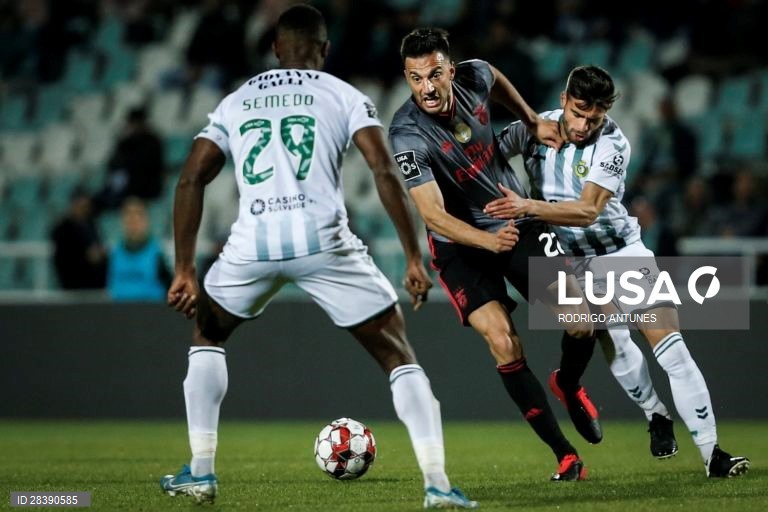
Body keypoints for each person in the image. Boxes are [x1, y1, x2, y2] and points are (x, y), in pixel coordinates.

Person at [160, 6, 477, 509]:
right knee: (397, 354)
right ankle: (437, 484)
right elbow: (383, 169)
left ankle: (200, 472)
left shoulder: (237, 100)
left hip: (253, 244)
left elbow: (190, 178)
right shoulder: (342, 94)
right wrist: (414, 257)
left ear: (275, 50)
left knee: (208, 335)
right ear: (324, 50)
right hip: (324, 242)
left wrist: (184, 269)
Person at [488, 64, 750, 478]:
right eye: (577, 113)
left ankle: (712, 453)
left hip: (619, 251)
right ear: (564, 101)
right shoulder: (532, 128)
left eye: (593, 118)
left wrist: (526, 206)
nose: (583, 126)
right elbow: (484, 159)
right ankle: (655, 414)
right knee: (612, 336)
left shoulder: (613, 143)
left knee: (671, 347)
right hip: (563, 259)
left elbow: (588, 210)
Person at [388, 27, 600, 482]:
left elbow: (493, 74)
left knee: (581, 321)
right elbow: (432, 215)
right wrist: (486, 242)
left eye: (434, 75)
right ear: (407, 78)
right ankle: (565, 455)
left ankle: (567, 383)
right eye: (415, 78)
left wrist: (530, 119)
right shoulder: (406, 134)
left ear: (451, 70)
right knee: (503, 342)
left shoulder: (475, 76)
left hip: (516, 221)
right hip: (460, 247)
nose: (427, 88)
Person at [94, 107, 165, 211]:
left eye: (136, 123)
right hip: (125, 185)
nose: (133, 126)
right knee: (100, 198)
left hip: (145, 187)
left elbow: (149, 167)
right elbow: (113, 164)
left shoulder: (153, 142)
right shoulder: (125, 143)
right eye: (131, 123)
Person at [107, 196, 171, 301]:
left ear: (147, 220)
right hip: (117, 310)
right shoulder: (112, 255)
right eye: (128, 214)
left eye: (138, 214)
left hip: (151, 310)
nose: (133, 219)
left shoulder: (159, 255)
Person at [50, 186, 107, 290]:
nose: (83, 209)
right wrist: (87, 256)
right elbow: (63, 260)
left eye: (86, 206)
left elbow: (97, 246)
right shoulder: (62, 229)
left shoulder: (91, 224)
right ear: (72, 204)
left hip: (94, 284)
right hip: (73, 284)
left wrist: (100, 253)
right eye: (80, 205)